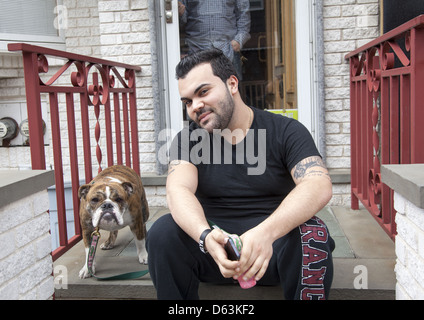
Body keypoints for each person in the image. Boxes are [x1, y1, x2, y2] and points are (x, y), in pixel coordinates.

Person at [146, 49, 335, 300]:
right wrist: (205, 237)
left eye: (203, 92)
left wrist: (265, 233)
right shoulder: (188, 140)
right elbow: (178, 189)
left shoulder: (285, 130)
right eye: (188, 102)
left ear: (232, 83)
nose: (195, 107)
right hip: (214, 252)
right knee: (162, 233)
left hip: (272, 250)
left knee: (313, 234)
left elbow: (318, 184)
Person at [178, 0, 251, 78]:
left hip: (228, 49)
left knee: (229, 86)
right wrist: (180, 12)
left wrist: (239, 40)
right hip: (196, 48)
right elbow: (180, 19)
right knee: (198, 86)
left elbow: (243, 14)